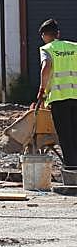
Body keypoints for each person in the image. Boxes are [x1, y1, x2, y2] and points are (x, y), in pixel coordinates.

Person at [36, 18, 77, 171]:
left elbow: (46, 68)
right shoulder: (75, 47)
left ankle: (72, 171)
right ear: (58, 34)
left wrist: (42, 90)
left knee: (66, 136)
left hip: (59, 98)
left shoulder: (47, 49)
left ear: (44, 36)